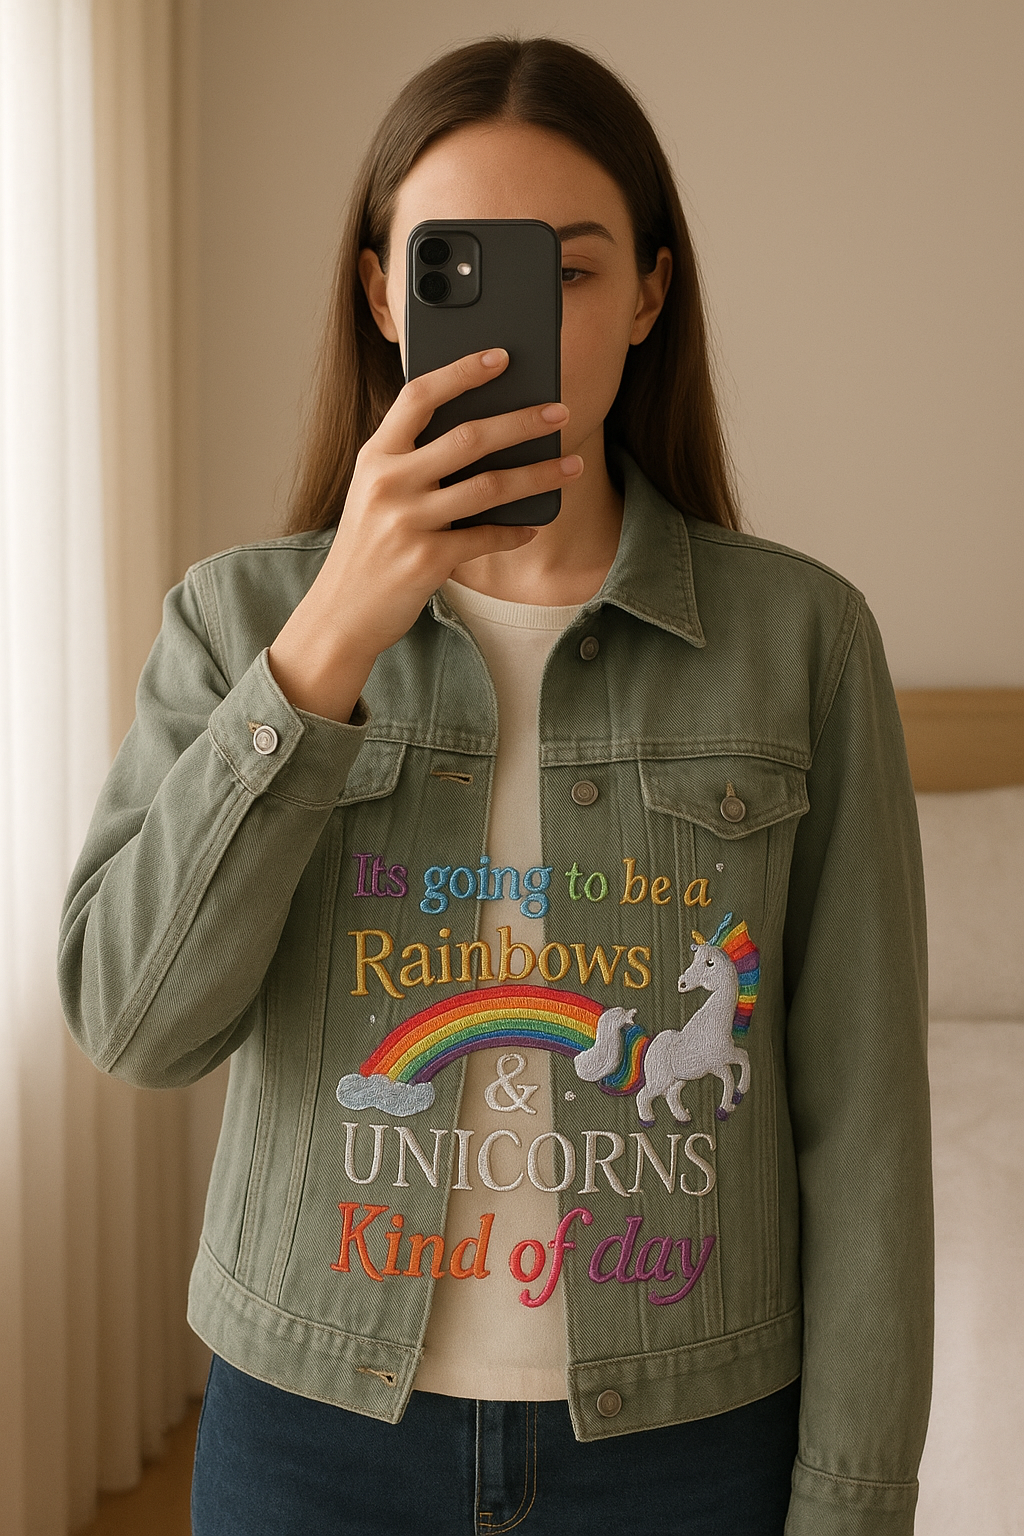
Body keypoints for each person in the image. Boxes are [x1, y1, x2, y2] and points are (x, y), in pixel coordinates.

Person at [59, 35, 933, 1536]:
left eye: (572, 270)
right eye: (457, 266)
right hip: (315, 1441)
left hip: (690, 1445)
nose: (523, 319)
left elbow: (865, 1131)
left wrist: (853, 1503)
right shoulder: (240, 618)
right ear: (383, 291)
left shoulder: (804, 642)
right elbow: (136, 1026)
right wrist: (326, 646)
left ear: (650, 295)